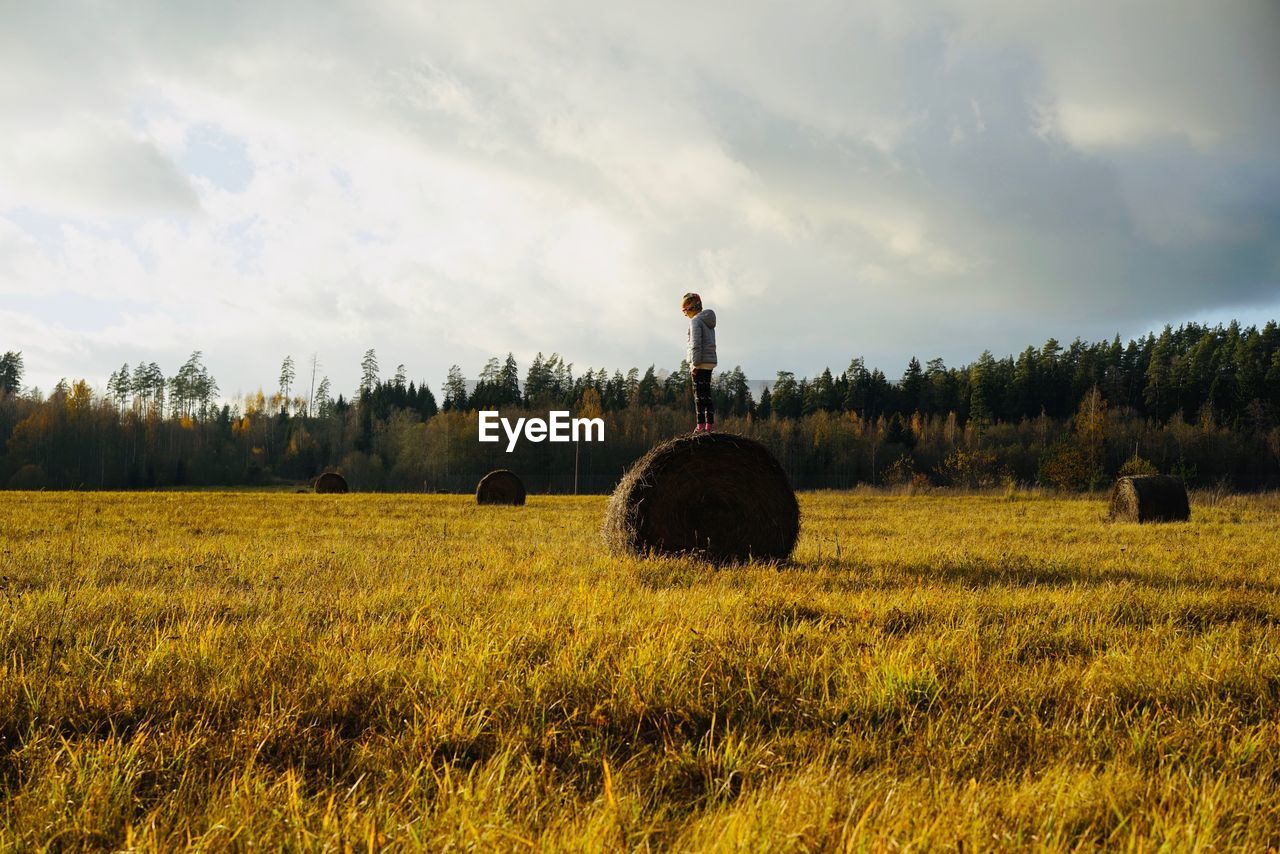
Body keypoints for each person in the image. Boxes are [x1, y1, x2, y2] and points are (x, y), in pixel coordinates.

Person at [682, 292, 717, 433]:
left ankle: (700, 425)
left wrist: (694, 365)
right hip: (709, 361)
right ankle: (709, 426)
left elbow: (695, 344)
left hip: (699, 362)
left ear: (691, 308)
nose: (684, 314)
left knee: (698, 396)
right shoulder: (708, 320)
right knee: (707, 395)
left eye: (685, 310)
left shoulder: (695, 321)